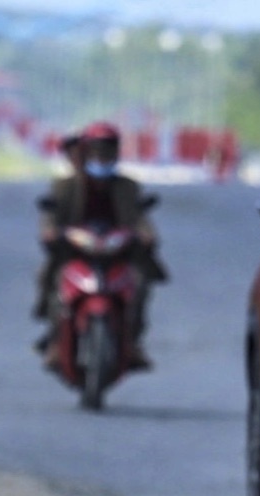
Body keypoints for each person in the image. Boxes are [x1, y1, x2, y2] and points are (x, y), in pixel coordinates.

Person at [34, 121, 167, 370]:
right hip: (75, 250)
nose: (102, 157)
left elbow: (141, 219)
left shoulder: (128, 186)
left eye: (108, 151)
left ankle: (134, 343)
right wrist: (50, 232)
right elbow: (51, 215)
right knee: (52, 280)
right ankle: (55, 341)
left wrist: (147, 236)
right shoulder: (66, 185)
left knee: (139, 284)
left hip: (118, 251)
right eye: (96, 151)